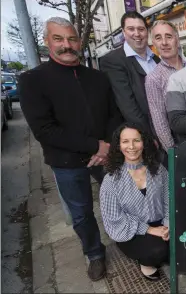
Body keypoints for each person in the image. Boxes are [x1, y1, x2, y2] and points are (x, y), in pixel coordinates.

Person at [19, 17, 123, 281]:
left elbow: (114, 115)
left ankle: (127, 239)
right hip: (67, 162)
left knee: (122, 200)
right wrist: (93, 146)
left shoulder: (98, 77)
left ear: (79, 41)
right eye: (59, 39)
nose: (67, 45)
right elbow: (44, 130)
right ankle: (95, 254)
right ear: (46, 42)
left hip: (106, 154)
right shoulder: (32, 80)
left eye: (72, 38)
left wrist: (106, 146)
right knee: (81, 213)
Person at [100, 122, 169, 281]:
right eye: (125, 141)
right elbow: (114, 220)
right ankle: (146, 264)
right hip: (132, 231)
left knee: (185, 241)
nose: (131, 146)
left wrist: (167, 224)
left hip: (161, 223)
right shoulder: (111, 181)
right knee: (157, 251)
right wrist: (150, 230)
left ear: (144, 142)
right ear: (118, 145)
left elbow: (169, 198)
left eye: (136, 140)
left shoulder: (158, 169)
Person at [100, 11, 160, 137]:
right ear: (123, 32)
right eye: (131, 29)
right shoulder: (113, 60)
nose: (137, 34)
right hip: (142, 135)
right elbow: (128, 106)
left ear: (147, 31)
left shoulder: (156, 59)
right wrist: (148, 136)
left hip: (166, 129)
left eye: (141, 29)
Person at [145, 20, 186, 152]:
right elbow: (160, 122)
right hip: (180, 144)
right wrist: (174, 153)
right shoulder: (153, 78)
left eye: (168, 36)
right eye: (158, 38)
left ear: (177, 39)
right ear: (154, 43)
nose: (164, 42)